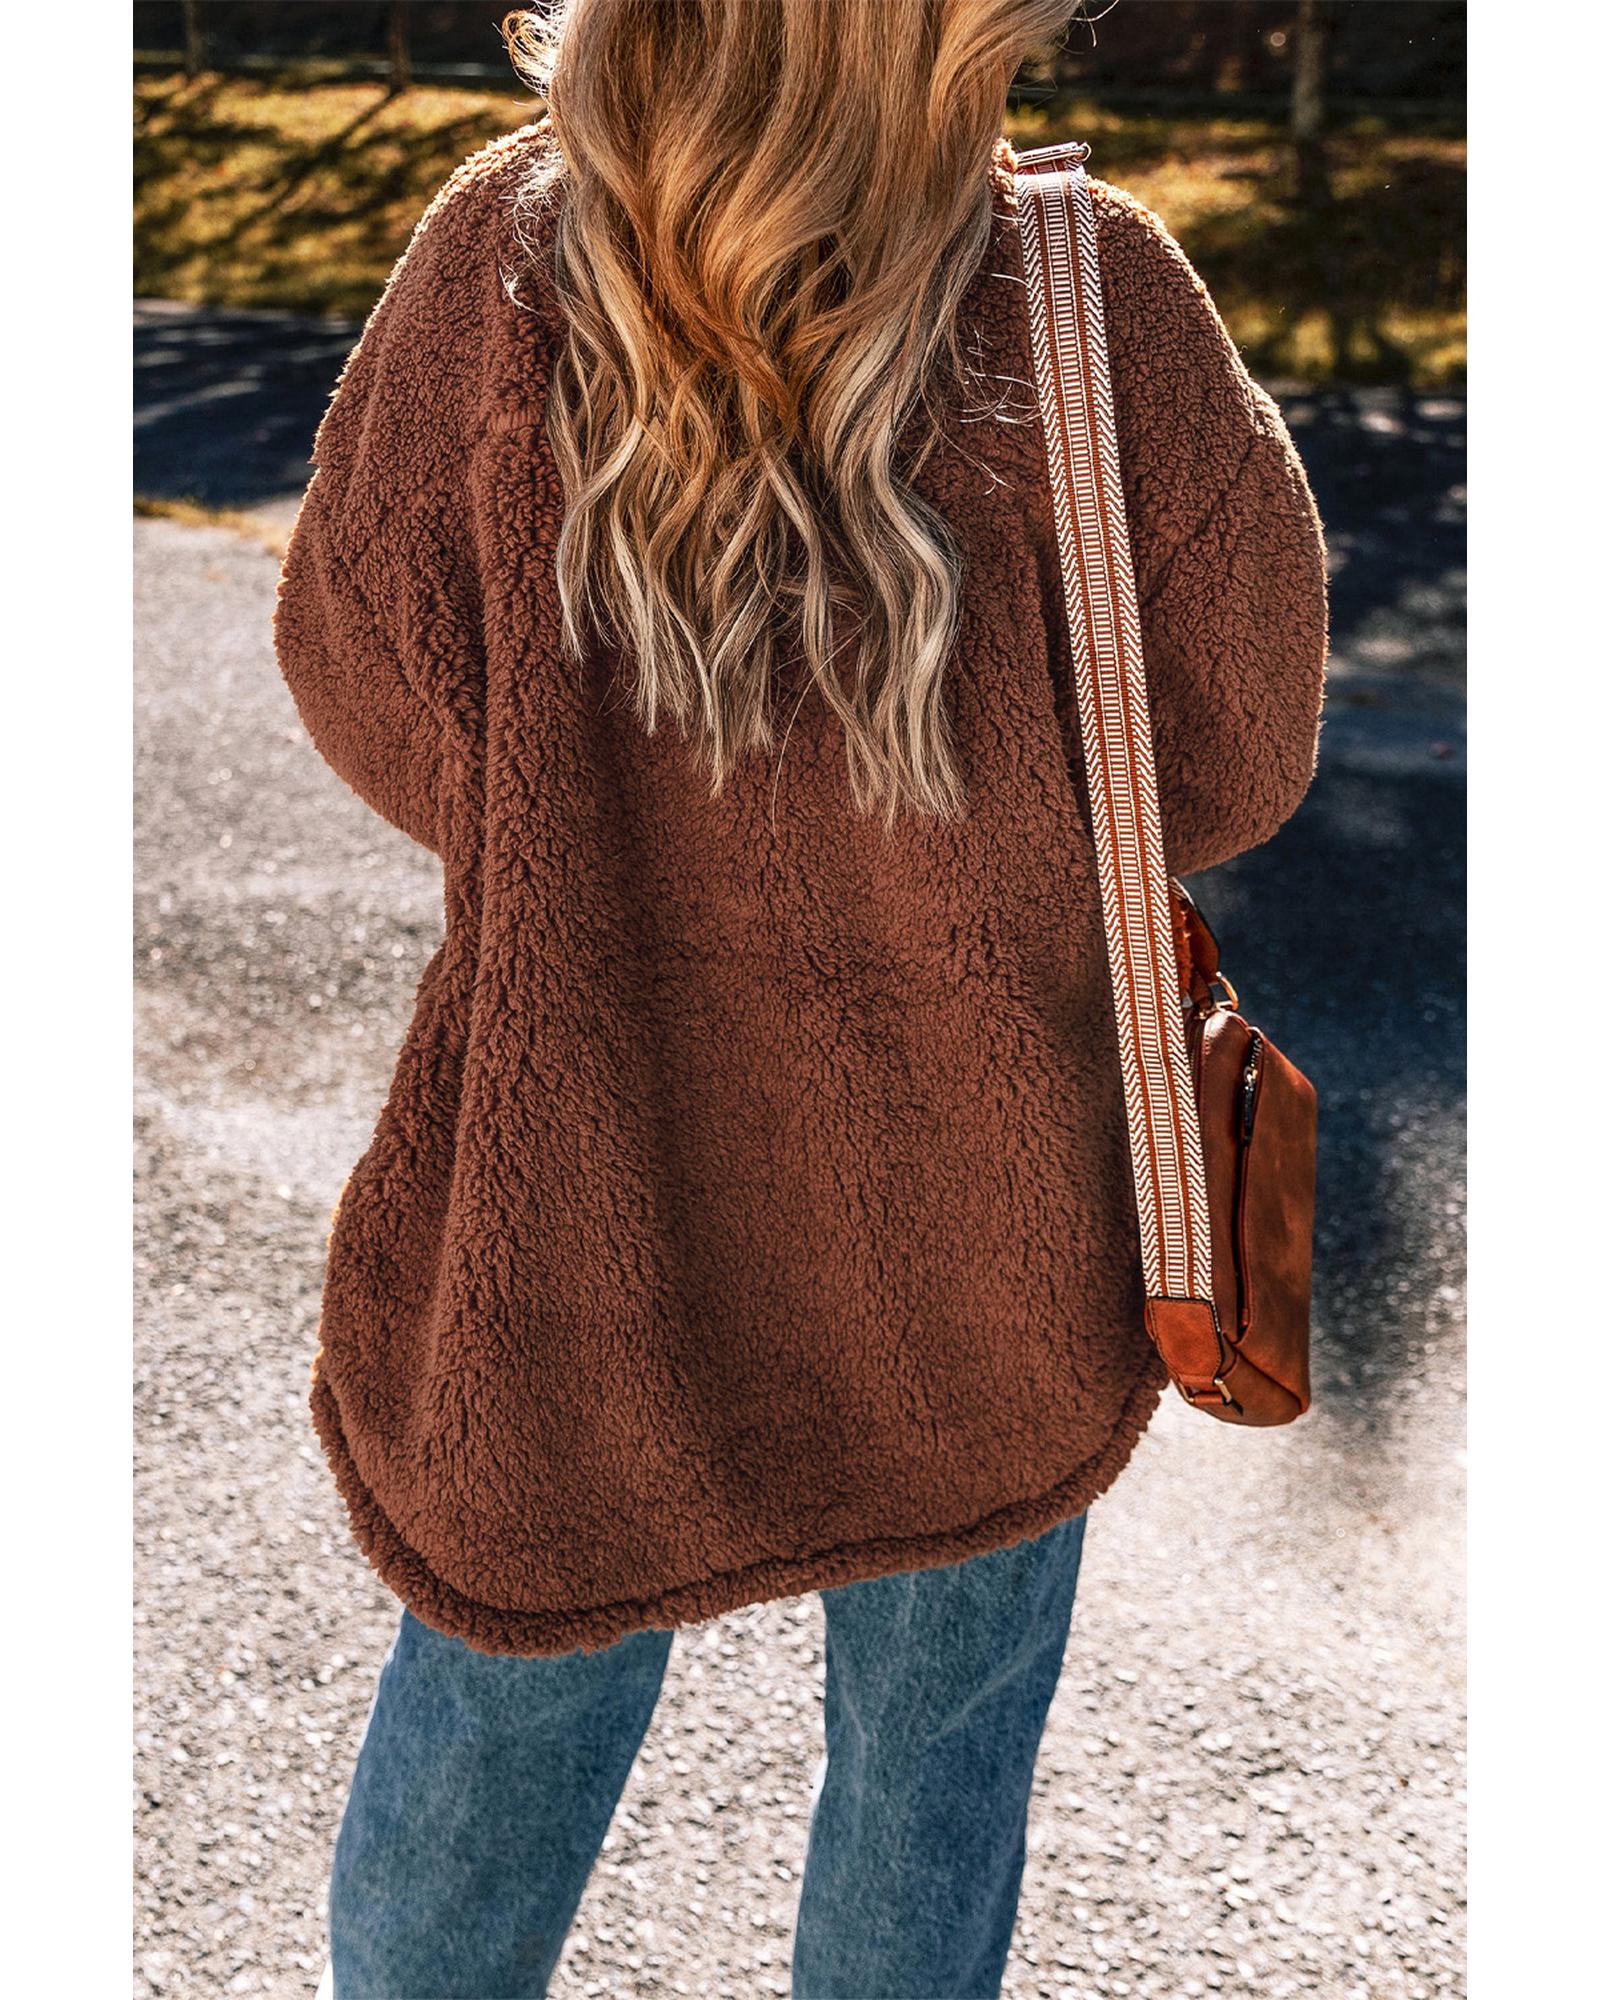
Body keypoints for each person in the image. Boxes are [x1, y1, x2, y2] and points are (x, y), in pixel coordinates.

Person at [275, 3, 1328, 1994]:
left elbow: (362, 677)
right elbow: (1236, 746)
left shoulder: (502, 254)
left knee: (499, 1710)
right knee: (934, 1763)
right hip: (991, 1209)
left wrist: (589, 846)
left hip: (574, 1175)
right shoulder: (1084, 288)